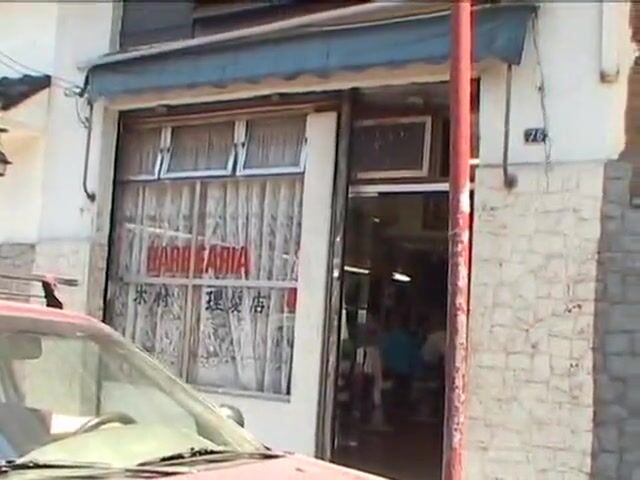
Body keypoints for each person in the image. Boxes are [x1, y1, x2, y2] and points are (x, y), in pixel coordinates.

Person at [381, 316, 421, 416]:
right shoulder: (410, 340)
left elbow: (383, 355)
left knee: (394, 397)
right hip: (405, 374)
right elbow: (415, 359)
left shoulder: (388, 338)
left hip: (391, 372)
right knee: (403, 398)